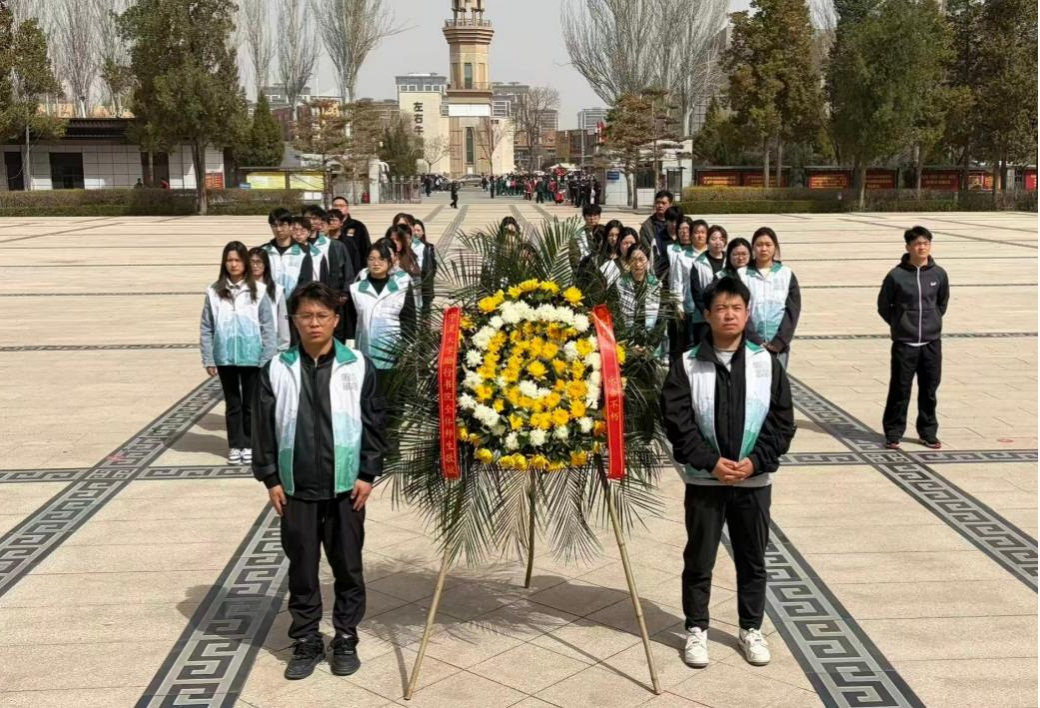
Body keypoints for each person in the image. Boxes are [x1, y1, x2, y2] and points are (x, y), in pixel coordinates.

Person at [252, 281, 387, 680]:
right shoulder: (277, 369)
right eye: (306, 315)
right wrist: (271, 478)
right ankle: (306, 638)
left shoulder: (358, 365)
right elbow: (263, 429)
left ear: (336, 320)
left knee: (348, 566)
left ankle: (345, 636)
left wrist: (367, 472)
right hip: (297, 489)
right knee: (302, 568)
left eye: (322, 315)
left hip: (347, 489)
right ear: (294, 320)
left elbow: (374, 423)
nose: (314, 323)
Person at [660, 276, 796, 671]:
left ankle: (750, 627)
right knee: (699, 558)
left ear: (748, 312)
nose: (729, 315)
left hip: (753, 482)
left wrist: (755, 461)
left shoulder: (765, 363)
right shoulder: (687, 364)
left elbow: (781, 422)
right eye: (721, 308)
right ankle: (696, 628)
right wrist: (710, 462)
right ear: (707, 314)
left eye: (737, 308)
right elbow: (677, 423)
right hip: (706, 481)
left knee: (752, 559)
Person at [200, 241, 277, 465]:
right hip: (225, 356)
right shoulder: (213, 291)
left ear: (245, 263)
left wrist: (267, 357)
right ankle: (235, 444)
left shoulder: (259, 291)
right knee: (233, 403)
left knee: (251, 404)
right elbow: (206, 326)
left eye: (237, 260)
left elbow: (267, 326)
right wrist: (208, 357)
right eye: (229, 260)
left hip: (252, 356)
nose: (233, 264)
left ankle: (250, 444)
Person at [878, 226, 949, 450]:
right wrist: (901, 324)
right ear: (908, 247)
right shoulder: (896, 276)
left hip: (931, 343)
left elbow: (942, 303)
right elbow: (883, 306)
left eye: (926, 243)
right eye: (917, 244)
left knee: (929, 390)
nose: (922, 247)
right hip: (905, 344)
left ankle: (928, 432)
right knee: (900, 389)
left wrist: (932, 321)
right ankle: (893, 432)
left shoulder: (939, 274)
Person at [349, 241, 418, 389]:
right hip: (365, 350)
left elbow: (409, 319)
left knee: (390, 392)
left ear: (390, 262)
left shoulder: (401, 288)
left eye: (381, 259)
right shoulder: (355, 290)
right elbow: (350, 321)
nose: (376, 263)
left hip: (393, 352)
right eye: (371, 259)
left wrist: (406, 347)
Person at [746, 228, 801, 368]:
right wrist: (754, 339)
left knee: (777, 380)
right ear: (753, 247)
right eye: (759, 244)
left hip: (778, 346)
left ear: (775, 247)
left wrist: (780, 341)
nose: (763, 249)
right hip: (750, 344)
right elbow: (739, 309)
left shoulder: (786, 274)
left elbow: (793, 310)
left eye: (768, 244)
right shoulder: (742, 274)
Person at [614, 243, 665, 357]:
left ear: (648, 261)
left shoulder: (656, 285)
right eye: (633, 260)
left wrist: (650, 345)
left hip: (650, 346)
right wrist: (628, 344)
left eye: (641, 259)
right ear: (628, 262)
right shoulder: (619, 284)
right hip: (627, 345)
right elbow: (615, 316)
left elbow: (662, 320)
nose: (638, 264)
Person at [687, 226, 729, 347]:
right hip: (703, 317)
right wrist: (708, 312)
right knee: (703, 350)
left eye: (721, 239)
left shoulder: (730, 261)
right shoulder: (698, 263)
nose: (718, 242)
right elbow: (696, 292)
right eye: (713, 239)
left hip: (726, 315)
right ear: (707, 241)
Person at [249, 246, 291, 352]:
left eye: (259, 262)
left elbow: (283, 322)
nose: (255, 265)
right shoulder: (242, 289)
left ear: (266, 264)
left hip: (270, 346)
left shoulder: (277, 290)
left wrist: (283, 348)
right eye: (251, 262)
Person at [668, 218, 699, 355]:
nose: (684, 232)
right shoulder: (673, 251)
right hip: (686, 305)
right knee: (686, 340)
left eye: (687, 229)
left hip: (703, 306)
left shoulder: (703, 253)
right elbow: (676, 281)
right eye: (681, 228)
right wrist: (678, 304)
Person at [331, 196, 371, 271]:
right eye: (335, 206)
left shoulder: (358, 226)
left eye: (341, 206)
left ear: (347, 208)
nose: (338, 208)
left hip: (354, 268)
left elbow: (366, 249)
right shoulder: (327, 226)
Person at [639, 189, 674, 273]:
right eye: (658, 202)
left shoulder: (676, 224)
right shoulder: (646, 226)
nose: (660, 205)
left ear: (670, 205)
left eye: (664, 203)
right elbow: (645, 248)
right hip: (655, 268)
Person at [412, 218, 438, 322]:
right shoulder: (406, 247)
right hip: (411, 282)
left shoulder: (428, 247)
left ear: (423, 232)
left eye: (418, 230)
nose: (416, 233)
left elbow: (433, 266)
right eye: (414, 230)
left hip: (424, 283)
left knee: (425, 313)